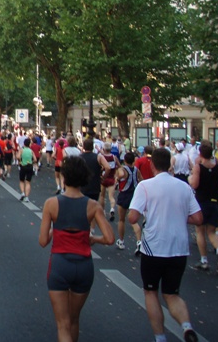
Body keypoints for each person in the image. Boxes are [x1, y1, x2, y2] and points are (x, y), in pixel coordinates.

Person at [128, 149, 203, 342]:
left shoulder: (145, 186)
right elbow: (198, 217)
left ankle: (160, 337)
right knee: (172, 294)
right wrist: (178, 215)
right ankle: (186, 327)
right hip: (179, 248)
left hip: (153, 246)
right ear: (170, 164)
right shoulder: (183, 186)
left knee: (151, 292)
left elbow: (133, 217)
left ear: (152, 165)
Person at [39, 156, 114, 342]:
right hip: (84, 266)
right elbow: (110, 238)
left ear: (64, 176)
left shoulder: (51, 204)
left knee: (62, 324)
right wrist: (93, 239)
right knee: (74, 319)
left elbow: (42, 241)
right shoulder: (93, 205)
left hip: (59, 264)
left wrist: (56, 230)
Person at [189, 140, 218, 271]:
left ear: (200, 154)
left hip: (201, 202)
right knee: (211, 231)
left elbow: (194, 184)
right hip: (214, 201)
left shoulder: (198, 168)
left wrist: (190, 179)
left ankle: (204, 260)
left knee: (200, 231)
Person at [114, 152, 143, 255]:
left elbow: (121, 175)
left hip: (124, 195)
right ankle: (139, 241)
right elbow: (141, 180)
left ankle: (121, 241)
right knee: (134, 221)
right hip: (134, 195)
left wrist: (118, 179)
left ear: (125, 160)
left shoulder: (122, 169)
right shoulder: (136, 170)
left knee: (121, 219)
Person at [99, 141, 120, 222]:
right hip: (111, 178)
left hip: (103, 178)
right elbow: (119, 165)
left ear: (104, 149)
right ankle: (112, 209)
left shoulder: (101, 157)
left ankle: (103, 211)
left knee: (102, 196)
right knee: (111, 197)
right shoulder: (114, 157)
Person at [17, 138, 36, 202]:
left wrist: (20, 161)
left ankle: (22, 193)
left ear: (24, 144)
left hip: (23, 166)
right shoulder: (31, 151)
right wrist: (31, 162)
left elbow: (18, 157)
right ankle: (27, 197)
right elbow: (35, 159)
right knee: (28, 182)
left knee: (22, 180)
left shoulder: (21, 150)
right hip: (30, 166)